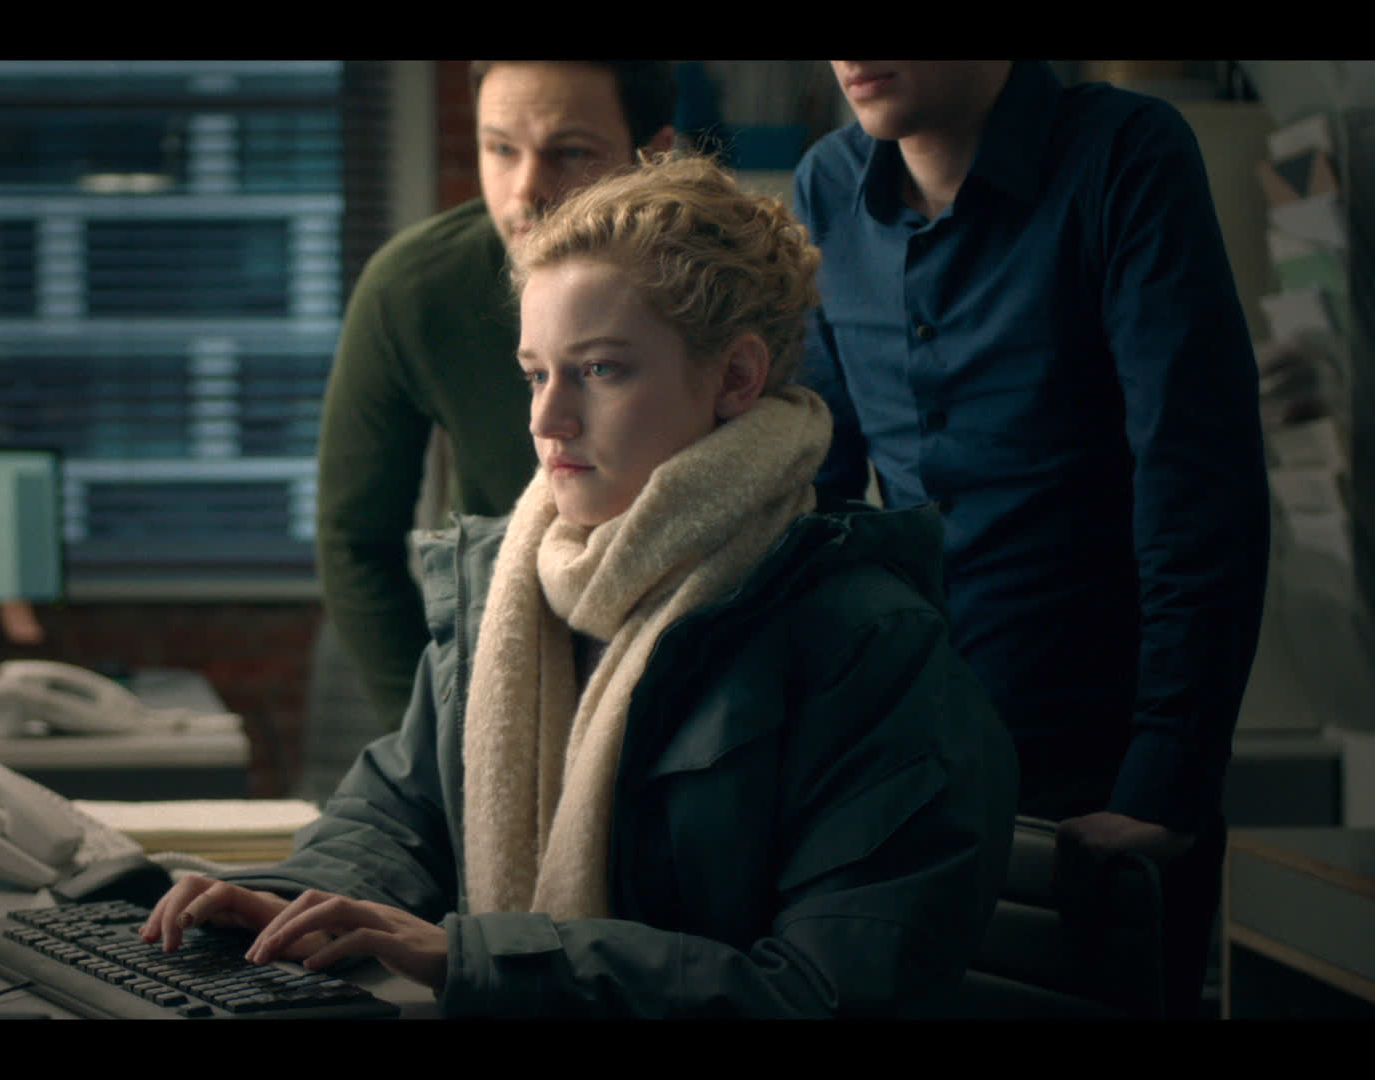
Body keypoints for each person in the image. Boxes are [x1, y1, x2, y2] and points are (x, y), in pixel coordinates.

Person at [141, 151, 1018, 1018]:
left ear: (736, 378)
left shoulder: (870, 646)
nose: (546, 418)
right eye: (536, 373)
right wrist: (286, 899)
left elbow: (826, 994)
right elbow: (398, 817)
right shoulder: (507, 589)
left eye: (600, 370)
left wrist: (479, 961)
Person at [793, 60, 1270, 1017]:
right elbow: (818, 495)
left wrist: (1165, 782)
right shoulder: (826, 185)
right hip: (902, 778)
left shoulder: (1125, 156)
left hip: (1100, 782)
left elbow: (1196, 480)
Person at [315, 61, 678, 731]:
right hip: (503, 650)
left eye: (571, 153)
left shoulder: (714, 285)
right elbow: (354, 539)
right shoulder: (417, 290)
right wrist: (433, 736)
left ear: (651, 156)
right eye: (501, 149)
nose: (526, 189)